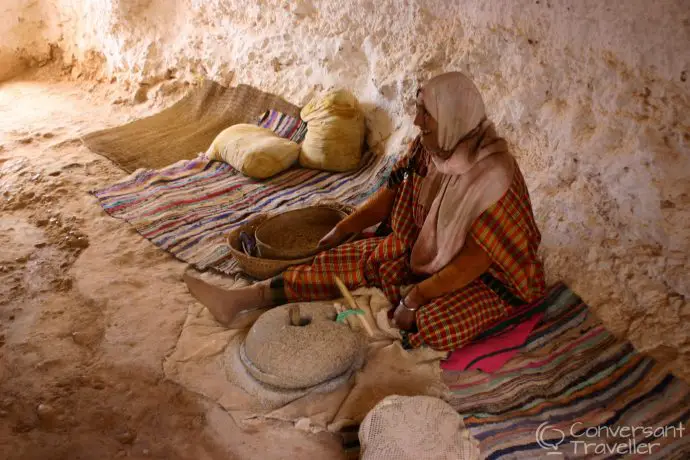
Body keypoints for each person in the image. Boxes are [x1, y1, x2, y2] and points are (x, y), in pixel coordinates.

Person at [184, 71, 546, 351]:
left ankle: (364, 320)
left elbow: (472, 262)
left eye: (426, 113)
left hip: (487, 281)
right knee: (341, 260)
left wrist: (416, 297)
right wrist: (342, 230)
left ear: (453, 116)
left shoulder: (496, 177)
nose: (418, 120)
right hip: (422, 251)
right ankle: (242, 300)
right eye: (419, 109)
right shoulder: (432, 146)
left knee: (432, 324)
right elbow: (392, 191)